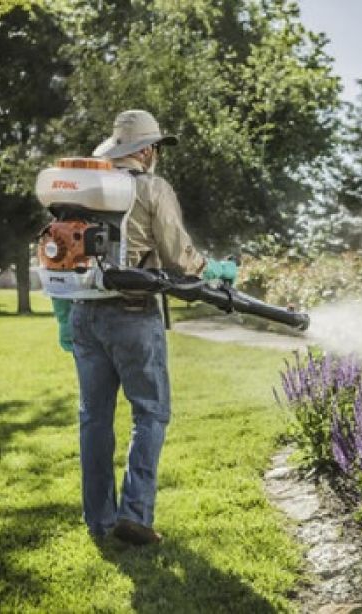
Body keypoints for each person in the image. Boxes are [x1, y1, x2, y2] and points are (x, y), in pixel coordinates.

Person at [60, 109, 237, 545]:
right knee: (151, 412)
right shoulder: (151, 187)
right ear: (144, 150)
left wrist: (64, 317)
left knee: (94, 420)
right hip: (134, 312)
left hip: (83, 313)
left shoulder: (85, 192)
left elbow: (60, 252)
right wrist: (216, 269)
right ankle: (135, 514)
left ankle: (99, 523)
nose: (156, 153)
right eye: (155, 146)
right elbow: (179, 256)